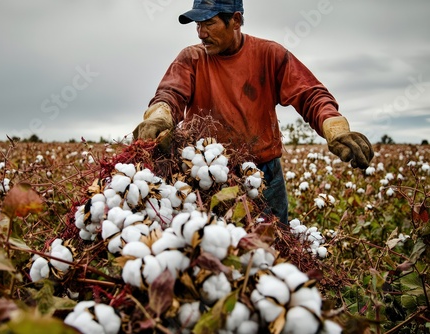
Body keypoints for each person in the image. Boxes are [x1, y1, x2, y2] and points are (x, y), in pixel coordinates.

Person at [133, 0, 374, 225]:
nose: (201, 33)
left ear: (235, 21)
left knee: (275, 246)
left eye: (209, 23)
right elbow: (170, 94)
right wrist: (159, 117)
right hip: (205, 175)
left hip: (264, 174)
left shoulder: (270, 54)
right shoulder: (191, 58)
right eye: (198, 24)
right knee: (214, 254)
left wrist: (335, 127)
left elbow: (309, 94)